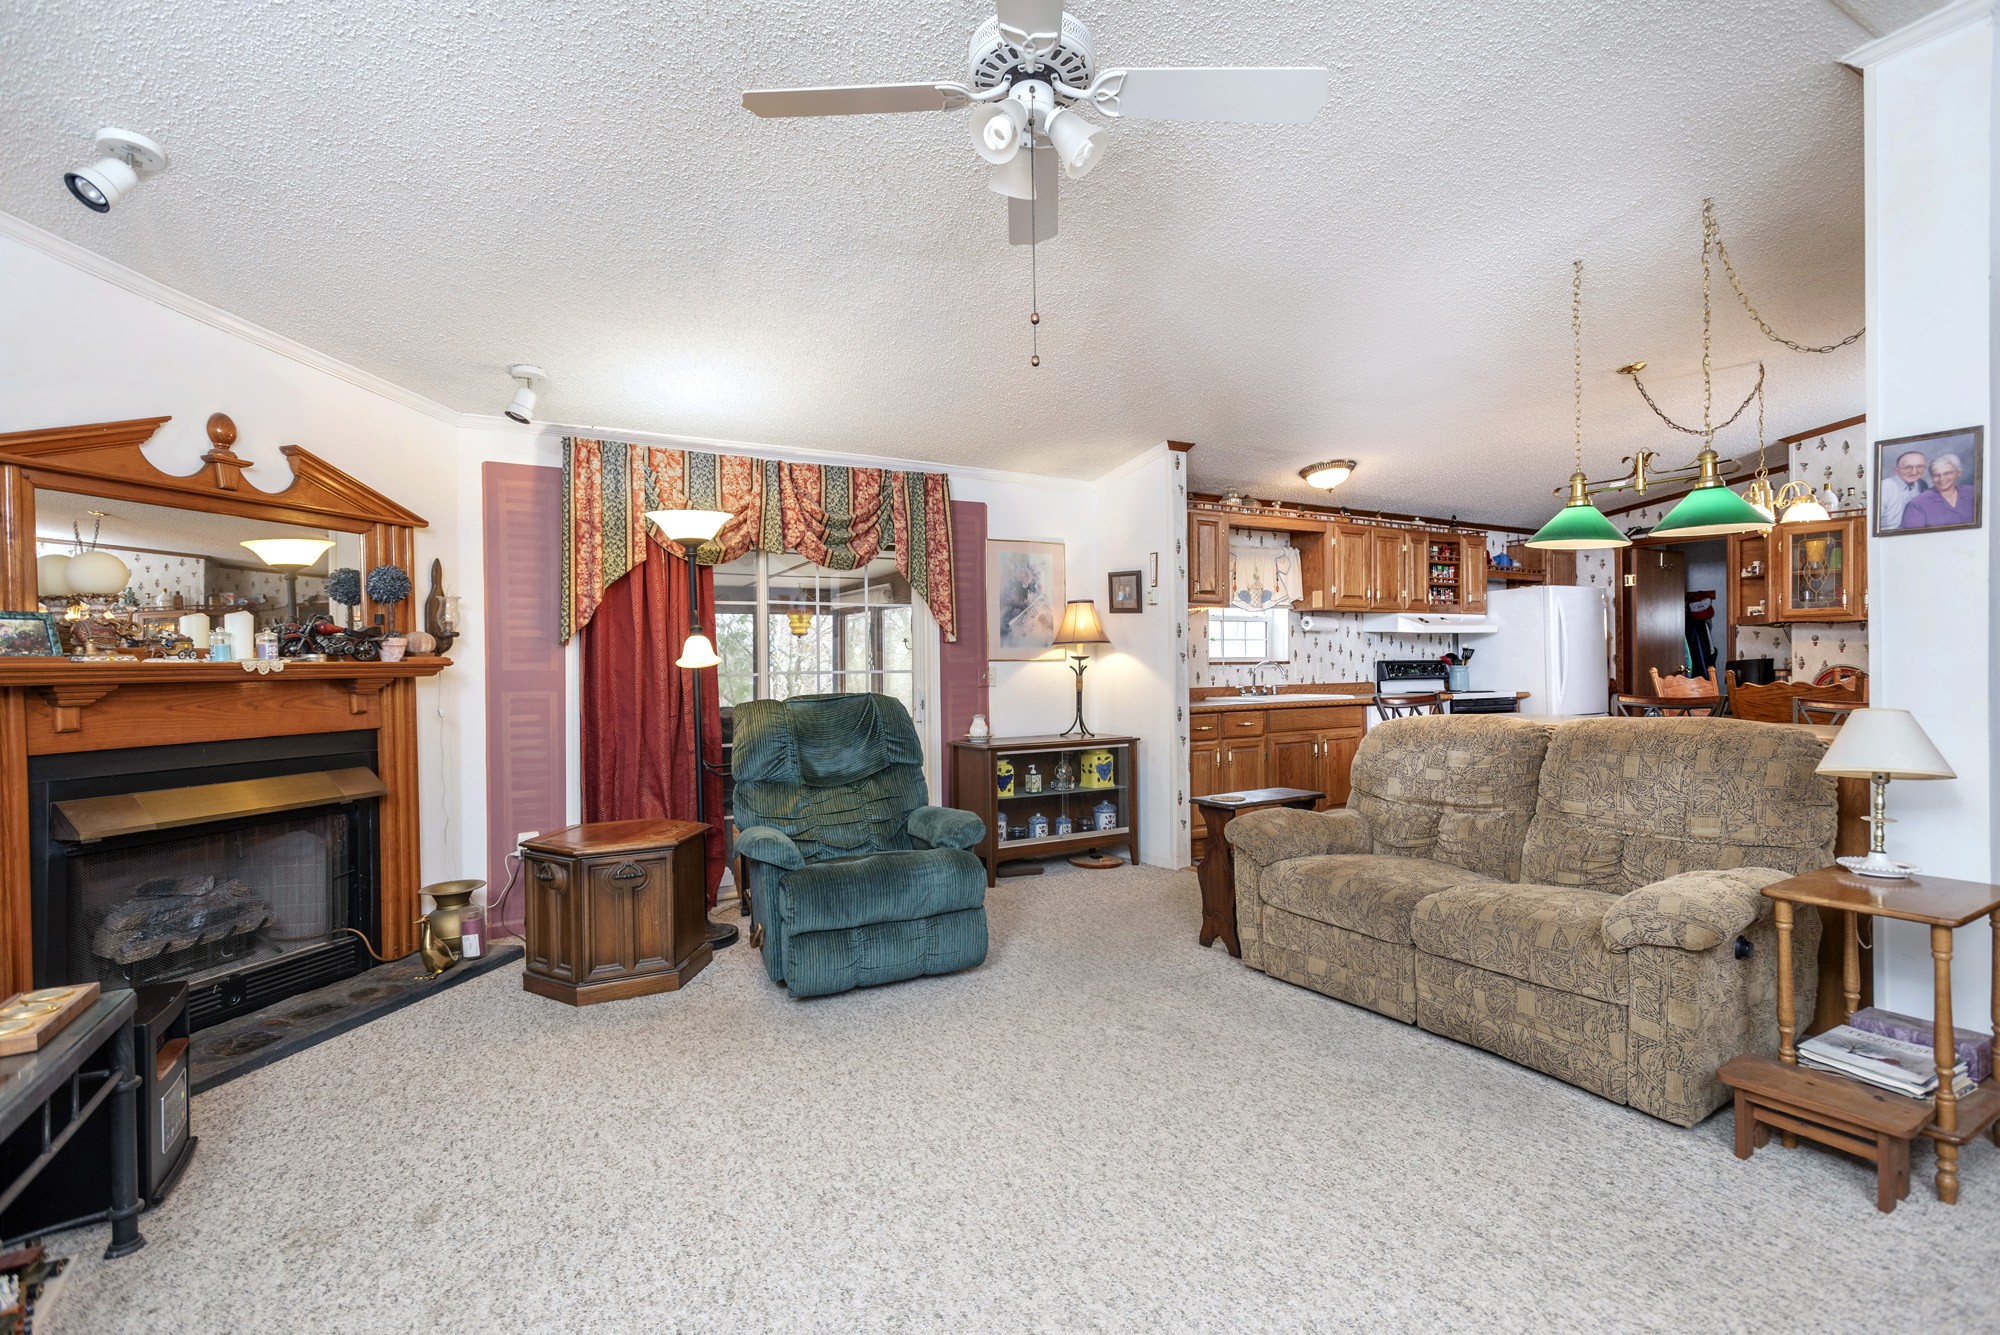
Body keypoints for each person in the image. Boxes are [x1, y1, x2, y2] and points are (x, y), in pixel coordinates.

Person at [1900, 452, 1975, 529]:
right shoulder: (1918, 503)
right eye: (1936, 475)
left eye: (1947, 473)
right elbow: (1913, 534)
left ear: (1958, 473)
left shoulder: (1972, 492)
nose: (1942, 478)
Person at [1878, 449, 1930, 529]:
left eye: (1919, 466)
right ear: (1896, 470)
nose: (1914, 472)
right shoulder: (1884, 488)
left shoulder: (1922, 485)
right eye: (1907, 467)